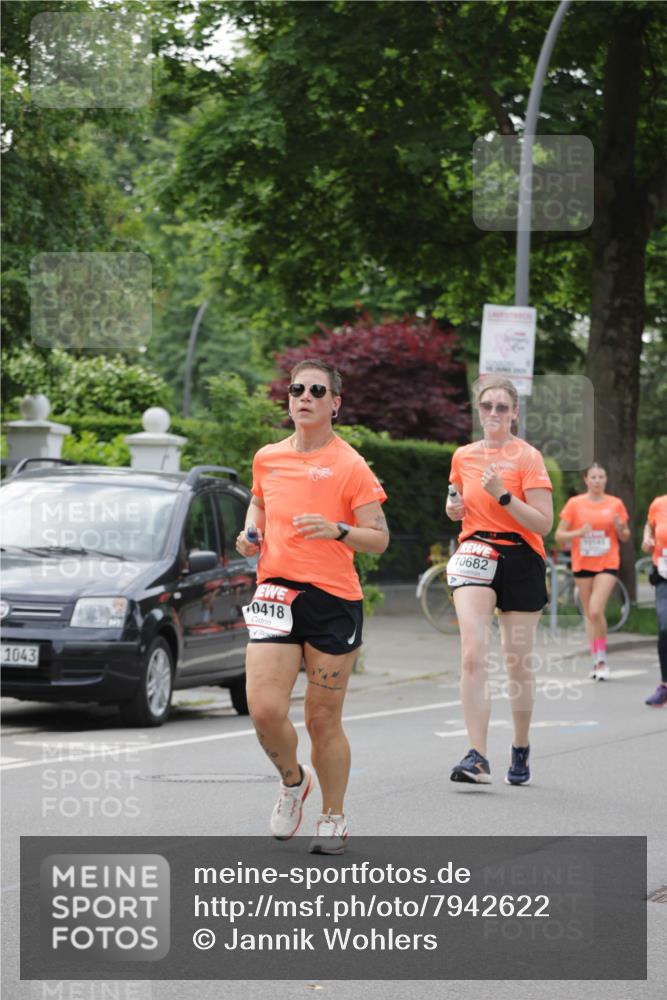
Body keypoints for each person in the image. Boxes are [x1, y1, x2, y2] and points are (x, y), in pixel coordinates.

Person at [235, 359, 389, 854]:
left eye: (317, 391)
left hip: (333, 600)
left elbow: (379, 538)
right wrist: (251, 533)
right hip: (275, 593)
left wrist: (338, 530)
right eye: (297, 388)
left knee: (322, 719)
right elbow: (260, 502)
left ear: (335, 404)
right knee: (264, 710)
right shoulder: (268, 458)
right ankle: (293, 781)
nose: (304, 396)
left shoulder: (350, 464)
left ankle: (333, 816)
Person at [445, 376, 553, 787]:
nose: (493, 412)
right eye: (487, 405)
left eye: (502, 407)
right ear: (478, 409)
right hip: (476, 551)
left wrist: (504, 495)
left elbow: (543, 522)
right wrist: (453, 507)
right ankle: (477, 756)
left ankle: (520, 746)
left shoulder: (528, 457)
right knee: (473, 652)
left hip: (522, 556)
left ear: (514, 414)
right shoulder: (463, 456)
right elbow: (455, 499)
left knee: (516, 662)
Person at [555, 464, 630, 680]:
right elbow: (559, 535)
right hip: (583, 563)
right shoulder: (575, 504)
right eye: (594, 477)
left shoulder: (615, 504)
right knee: (589, 614)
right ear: (586, 480)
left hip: (608, 562)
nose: (597, 481)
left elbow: (625, 536)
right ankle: (596, 659)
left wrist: (619, 527)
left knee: (596, 610)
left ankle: (603, 658)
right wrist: (579, 532)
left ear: (606, 479)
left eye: (601, 477)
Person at [641, 494, 667, 707]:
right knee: (665, 628)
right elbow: (649, 527)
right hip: (663, 576)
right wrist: (647, 539)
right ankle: (665, 686)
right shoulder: (659, 504)